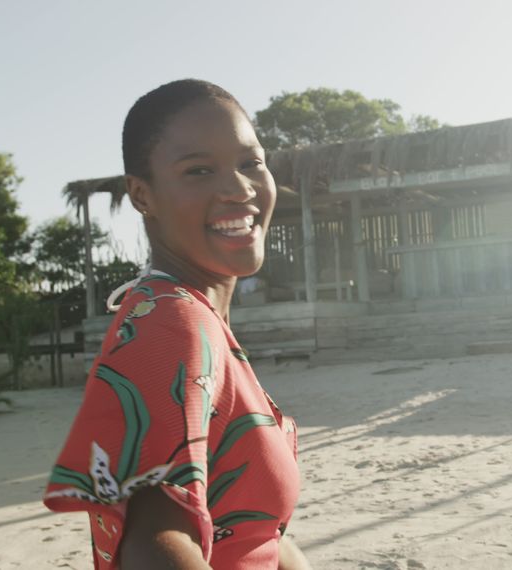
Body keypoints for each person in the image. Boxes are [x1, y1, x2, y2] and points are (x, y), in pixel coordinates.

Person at [43, 79, 311, 570]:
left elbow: (251, 532)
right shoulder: (172, 324)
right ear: (143, 195)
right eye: (200, 170)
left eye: (252, 163)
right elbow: (151, 547)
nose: (240, 188)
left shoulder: (196, 319)